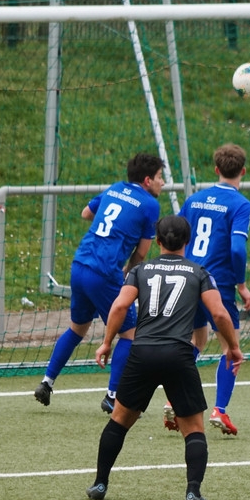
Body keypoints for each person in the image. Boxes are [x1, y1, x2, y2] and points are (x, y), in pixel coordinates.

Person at [86, 215, 243, 500]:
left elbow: (120, 306)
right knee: (193, 429)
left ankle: (100, 483)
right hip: (178, 355)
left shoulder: (139, 270)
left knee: (118, 421)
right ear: (188, 241)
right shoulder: (199, 272)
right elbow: (219, 314)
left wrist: (106, 342)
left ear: (157, 241)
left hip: (142, 353)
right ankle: (193, 493)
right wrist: (233, 347)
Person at [33, 153, 164, 411]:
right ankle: (113, 397)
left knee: (77, 329)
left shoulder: (115, 188)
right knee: (130, 334)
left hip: (80, 264)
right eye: (160, 177)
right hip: (104, 271)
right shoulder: (150, 204)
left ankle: (47, 382)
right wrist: (129, 274)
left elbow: (86, 213)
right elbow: (141, 253)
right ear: (148, 180)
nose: (163, 183)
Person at [174, 143, 250, 436]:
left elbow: (176, 233)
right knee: (230, 348)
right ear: (243, 171)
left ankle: (173, 399)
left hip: (188, 277)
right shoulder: (241, 204)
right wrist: (241, 284)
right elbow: (237, 248)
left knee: (196, 341)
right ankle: (220, 409)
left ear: (216, 169)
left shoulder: (194, 200)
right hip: (216, 284)